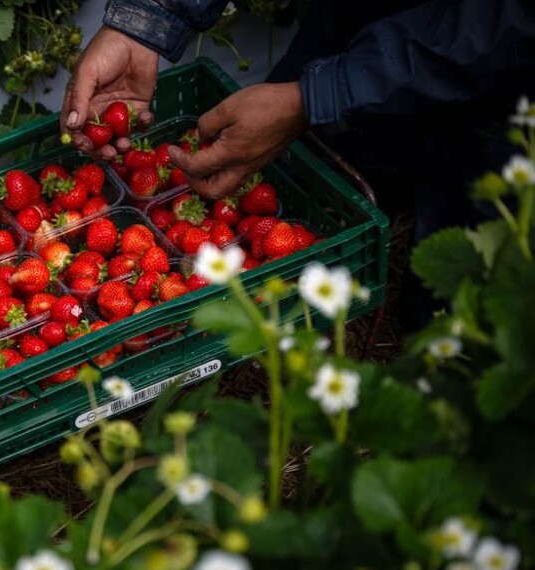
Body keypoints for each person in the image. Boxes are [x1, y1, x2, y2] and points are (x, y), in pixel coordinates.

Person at [61, 0, 535, 326]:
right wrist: (147, 17)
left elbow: (509, 20)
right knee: (301, 194)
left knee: (461, 314)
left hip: (506, 77)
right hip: (358, 21)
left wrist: (315, 97)